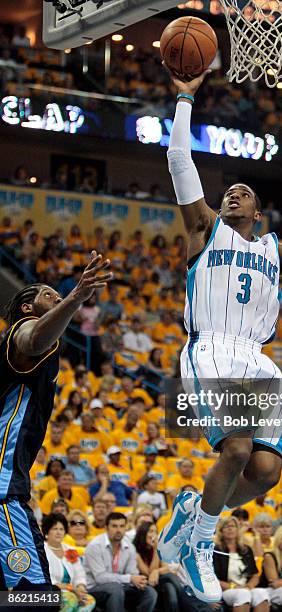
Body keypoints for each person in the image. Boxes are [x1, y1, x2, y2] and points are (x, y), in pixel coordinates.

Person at [158, 68, 282, 603]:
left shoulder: (273, 251)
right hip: (212, 345)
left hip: (259, 362)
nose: (233, 194)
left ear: (258, 213)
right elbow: (178, 160)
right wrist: (186, 97)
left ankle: (193, 512)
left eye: (244, 193)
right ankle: (199, 542)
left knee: (264, 472)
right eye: (229, 191)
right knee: (236, 448)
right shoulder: (204, 228)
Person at [0, 252, 111, 595]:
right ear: (27, 309)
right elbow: (33, 340)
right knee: (31, 595)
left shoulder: (46, 350)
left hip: (12, 482)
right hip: (3, 488)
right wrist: (77, 297)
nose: (58, 297)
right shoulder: (21, 335)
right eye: (49, 295)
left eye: (60, 295)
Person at [83, 512, 157, 612]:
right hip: (94, 588)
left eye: (122, 526)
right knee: (115, 588)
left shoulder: (129, 547)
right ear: (106, 528)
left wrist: (138, 581)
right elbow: (100, 578)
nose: (118, 530)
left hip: (121, 587)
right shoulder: (95, 546)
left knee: (150, 592)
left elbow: (132, 573)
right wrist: (130, 578)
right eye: (114, 526)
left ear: (126, 528)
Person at [213, 516, 270, 612]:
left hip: (246, 587)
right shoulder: (217, 551)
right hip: (226, 590)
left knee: (261, 593)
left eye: (233, 526)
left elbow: (255, 575)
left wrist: (249, 586)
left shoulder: (246, 550)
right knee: (243, 594)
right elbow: (214, 579)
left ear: (237, 529)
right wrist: (235, 587)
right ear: (221, 531)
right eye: (226, 527)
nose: (230, 528)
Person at [43, 513, 95, 612]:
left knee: (89, 600)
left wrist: (80, 587)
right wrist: (72, 589)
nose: (58, 532)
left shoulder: (69, 549)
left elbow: (80, 574)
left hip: (72, 591)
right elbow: (48, 580)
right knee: (70, 599)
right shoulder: (42, 550)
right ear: (47, 531)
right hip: (51, 592)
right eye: (54, 529)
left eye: (61, 529)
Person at [133, 521, 183, 612]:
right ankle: (183, 595)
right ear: (143, 533)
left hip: (157, 581)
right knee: (170, 577)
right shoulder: (135, 550)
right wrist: (156, 550)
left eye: (155, 532)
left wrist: (157, 571)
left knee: (169, 586)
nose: (153, 535)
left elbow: (166, 568)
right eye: (150, 531)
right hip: (143, 583)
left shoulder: (158, 548)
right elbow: (148, 573)